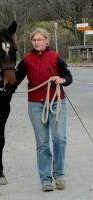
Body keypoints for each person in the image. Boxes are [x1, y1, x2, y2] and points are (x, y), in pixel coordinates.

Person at [15, 28, 73, 192]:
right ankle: (45, 179)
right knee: (42, 144)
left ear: (47, 40)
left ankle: (59, 174)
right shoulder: (26, 60)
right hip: (35, 105)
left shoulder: (55, 57)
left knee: (59, 139)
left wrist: (61, 79)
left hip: (56, 102)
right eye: (34, 40)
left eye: (40, 39)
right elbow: (14, 80)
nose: (37, 42)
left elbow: (68, 77)